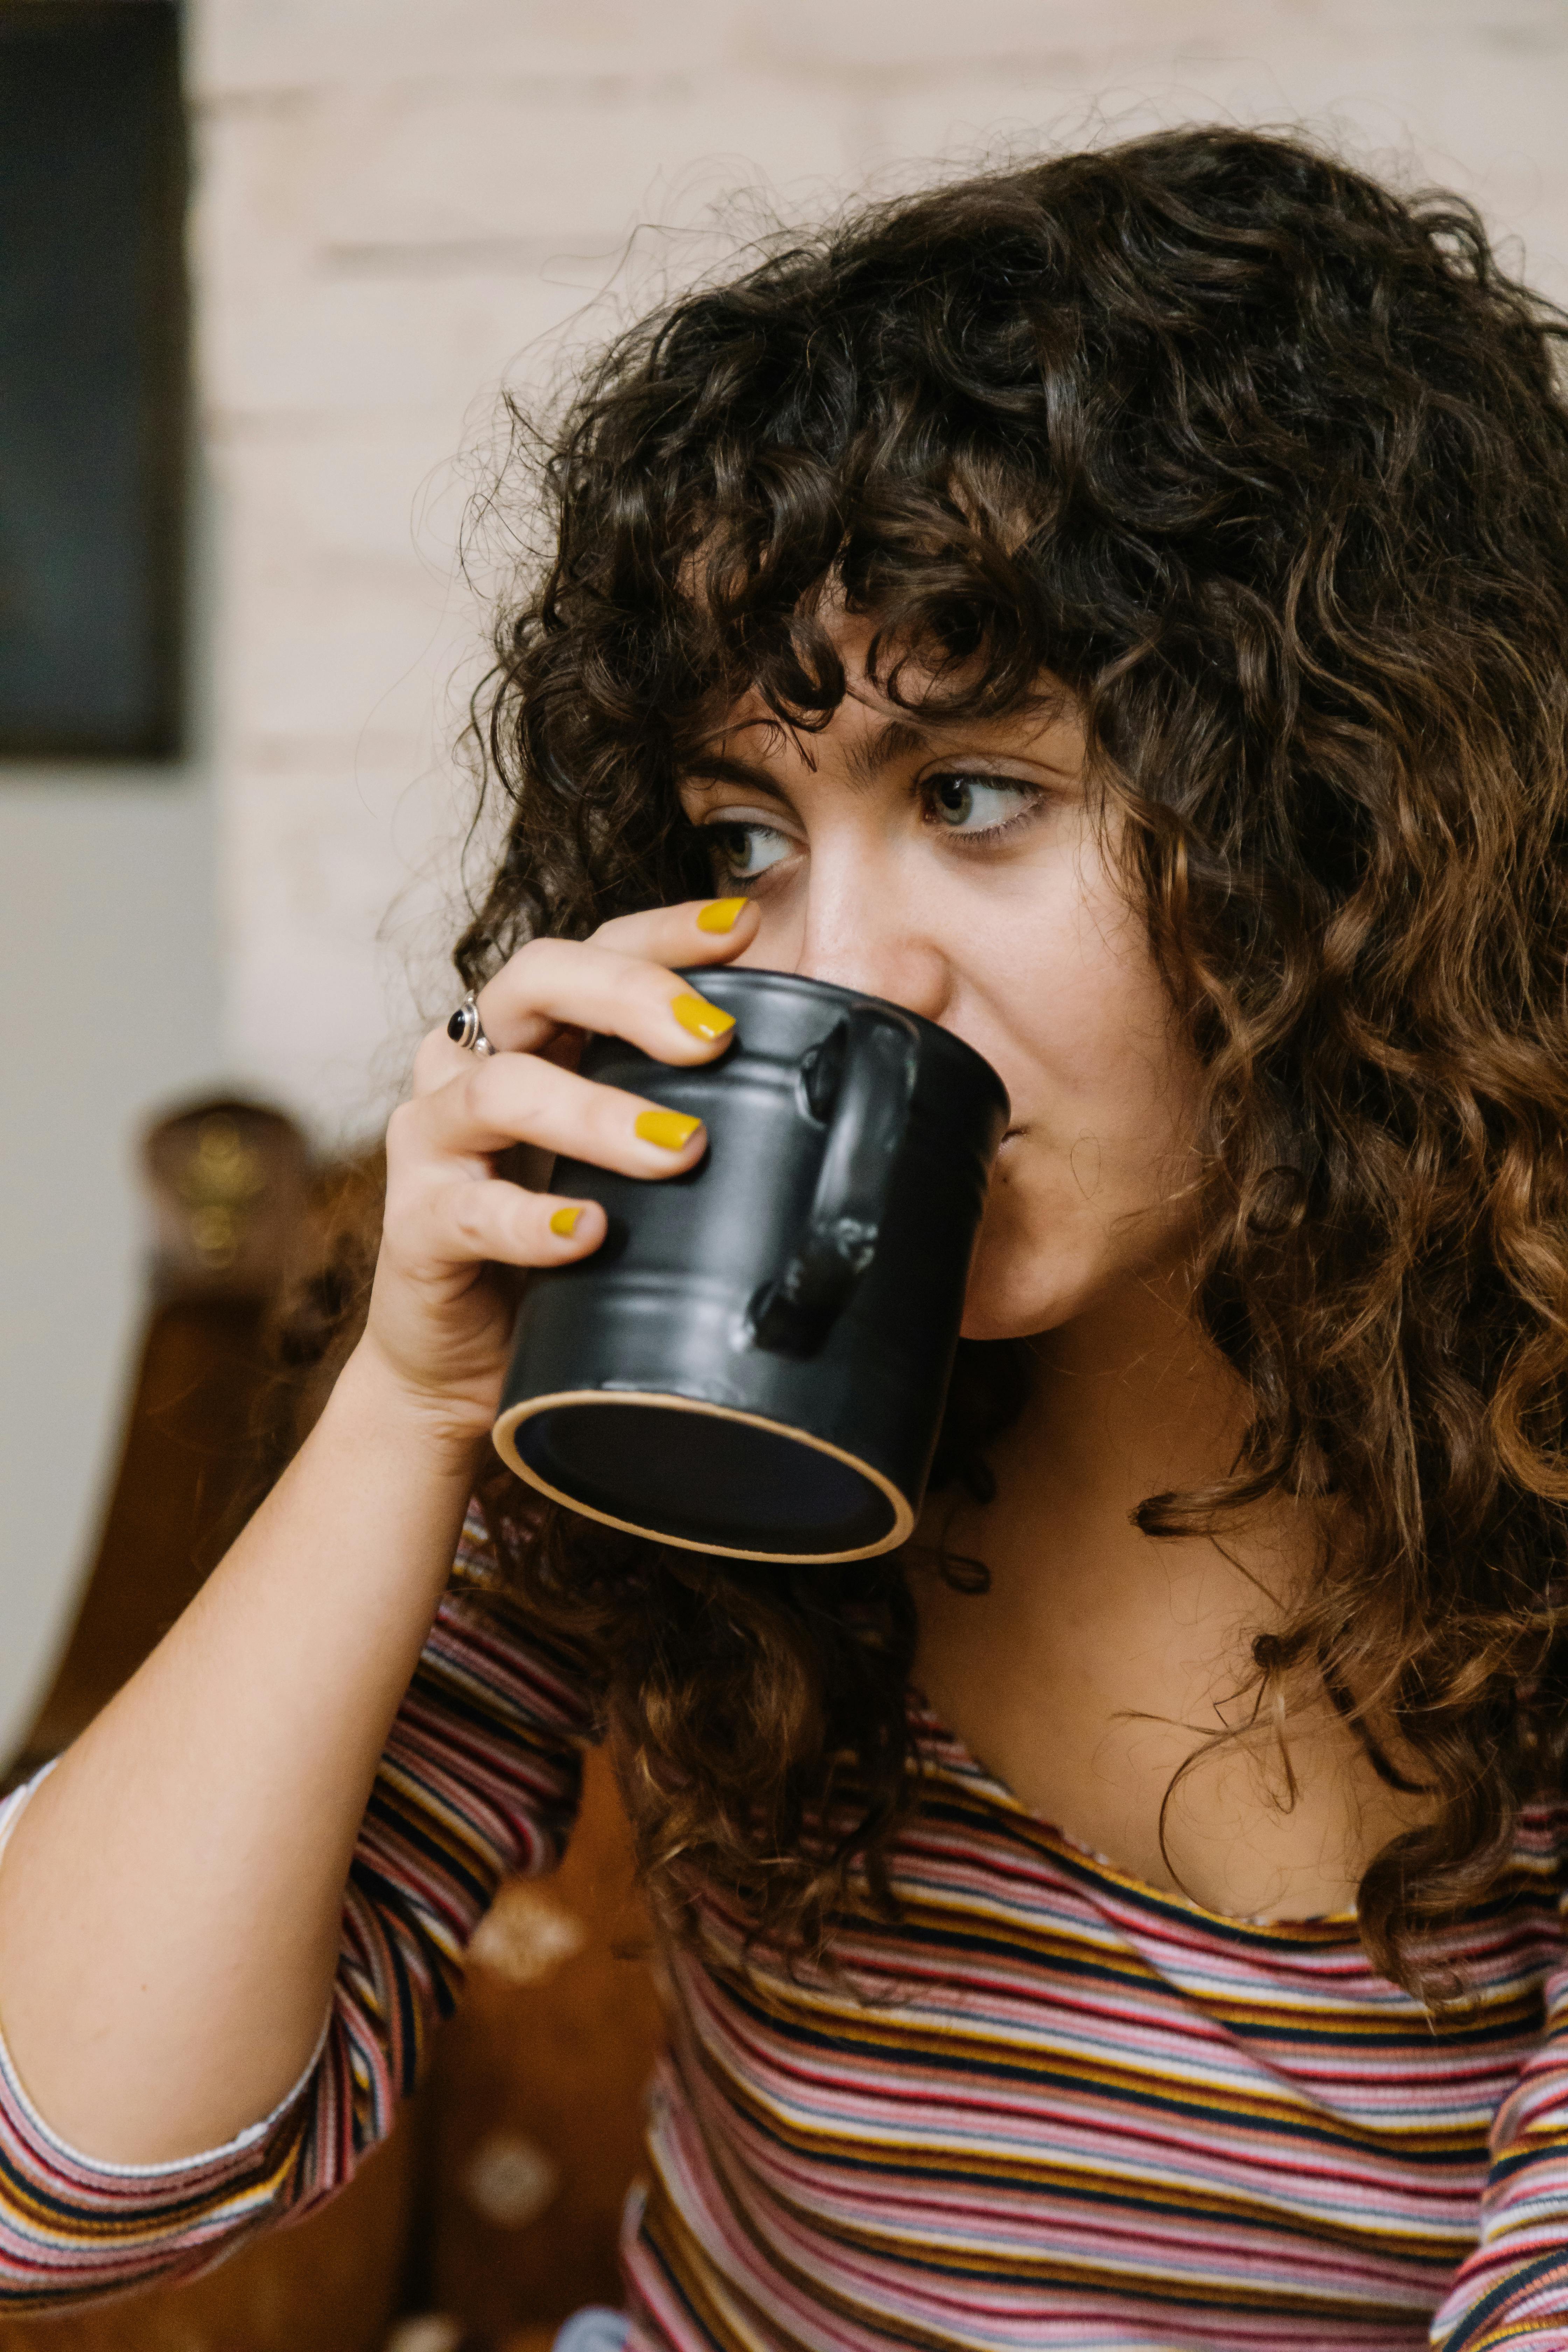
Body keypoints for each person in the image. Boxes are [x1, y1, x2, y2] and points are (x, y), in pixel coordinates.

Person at [0, 125, 1566, 2351]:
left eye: (975, 795)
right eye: (748, 834)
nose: (840, 972)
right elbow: (52, 2186)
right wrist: (411, 1409)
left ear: (1348, 820)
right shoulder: (695, 1407)